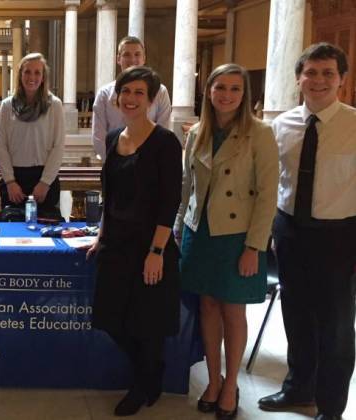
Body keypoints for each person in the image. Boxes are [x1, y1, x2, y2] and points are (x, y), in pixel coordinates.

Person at [258, 42, 356, 420]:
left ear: (341, 80)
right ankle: (299, 389)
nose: (318, 80)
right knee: (295, 315)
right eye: (311, 73)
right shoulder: (282, 126)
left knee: (336, 327)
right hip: (290, 231)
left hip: (340, 235)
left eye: (327, 73)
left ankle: (331, 408)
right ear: (299, 79)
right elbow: (274, 183)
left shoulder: (353, 124)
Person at [174, 63, 279, 420]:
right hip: (198, 232)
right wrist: (177, 228)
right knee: (207, 307)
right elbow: (187, 188)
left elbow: (268, 196)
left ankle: (231, 383)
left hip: (237, 237)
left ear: (245, 94)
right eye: (220, 87)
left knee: (233, 310)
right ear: (209, 91)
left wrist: (255, 246)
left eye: (235, 89)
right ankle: (213, 380)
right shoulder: (197, 132)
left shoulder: (260, 134)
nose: (227, 95)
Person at [85, 66, 183, 417]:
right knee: (111, 319)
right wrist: (100, 235)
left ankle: (142, 385)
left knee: (145, 322)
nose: (130, 99)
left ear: (152, 99)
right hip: (116, 245)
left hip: (149, 247)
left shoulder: (165, 143)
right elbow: (109, 194)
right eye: (126, 92)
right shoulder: (113, 138)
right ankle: (150, 372)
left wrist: (157, 251)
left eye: (139, 93)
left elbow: (170, 201)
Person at [0, 52, 65, 218]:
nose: (31, 77)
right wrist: (10, 182)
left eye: (37, 72)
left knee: (46, 235)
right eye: (27, 72)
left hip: (44, 180)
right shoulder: (7, 106)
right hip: (15, 181)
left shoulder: (54, 105)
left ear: (43, 77)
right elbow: (2, 146)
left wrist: (45, 182)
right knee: (12, 235)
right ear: (20, 75)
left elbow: (58, 146)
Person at [92, 36, 172, 159]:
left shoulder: (160, 92)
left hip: (149, 162)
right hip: (114, 162)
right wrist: (115, 162)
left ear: (144, 58)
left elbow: (162, 130)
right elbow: (99, 138)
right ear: (118, 59)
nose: (132, 60)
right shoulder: (104, 94)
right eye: (127, 55)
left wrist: (142, 162)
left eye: (137, 54)